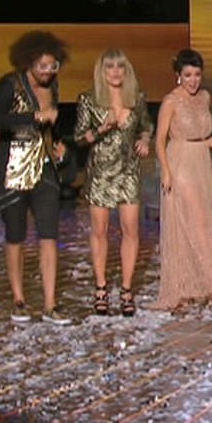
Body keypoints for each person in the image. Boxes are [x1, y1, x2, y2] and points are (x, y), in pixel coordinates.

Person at [0, 30, 72, 325]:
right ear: (28, 63)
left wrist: (58, 143)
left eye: (52, 66)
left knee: (49, 234)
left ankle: (50, 304)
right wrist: (34, 118)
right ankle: (19, 300)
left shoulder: (53, 87)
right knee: (16, 234)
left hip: (45, 167)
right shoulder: (10, 84)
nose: (47, 72)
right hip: (13, 167)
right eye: (42, 66)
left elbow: (51, 126)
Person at [150, 49, 212, 311]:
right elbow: (159, 140)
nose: (193, 80)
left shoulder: (204, 98)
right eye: (187, 75)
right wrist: (166, 171)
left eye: (197, 75)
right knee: (194, 221)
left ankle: (197, 284)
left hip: (201, 163)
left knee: (204, 221)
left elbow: (202, 135)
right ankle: (211, 281)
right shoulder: (171, 101)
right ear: (178, 75)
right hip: (181, 163)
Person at [74, 49, 154, 317]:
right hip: (100, 172)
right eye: (110, 67)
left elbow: (146, 126)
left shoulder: (136, 97)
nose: (116, 72)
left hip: (128, 171)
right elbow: (79, 138)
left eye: (120, 67)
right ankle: (101, 288)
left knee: (131, 230)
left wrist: (144, 140)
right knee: (100, 230)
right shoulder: (89, 99)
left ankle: (127, 290)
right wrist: (103, 128)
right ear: (102, 71)